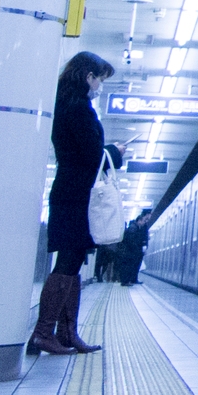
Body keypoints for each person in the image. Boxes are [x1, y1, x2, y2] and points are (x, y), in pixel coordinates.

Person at [30, 52, 121, 356]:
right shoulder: (80, 110)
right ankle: (44, 333)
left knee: (72, 261)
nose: (100, 86)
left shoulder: (65, 104)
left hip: (70, 190)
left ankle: (67, 333)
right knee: (69, 261)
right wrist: (115, 153)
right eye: (99, 79)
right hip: (77, 195)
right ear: (87, 76)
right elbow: (92, 155)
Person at [116, 209, 152, 286]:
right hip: (130, 251)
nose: (144, 222)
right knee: (129, 266)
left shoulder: (135, 227)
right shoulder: (134, 227)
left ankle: (129, 280)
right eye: (144, 220)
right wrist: (138, 247)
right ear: (140, 220)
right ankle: (126, 281)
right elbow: (131, 240)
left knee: (131, 266)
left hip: (132, 250)